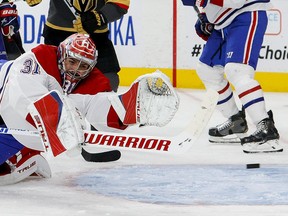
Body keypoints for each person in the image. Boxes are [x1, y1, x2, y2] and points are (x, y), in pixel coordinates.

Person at [0, 33, 179, 185]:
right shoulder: (40, 59)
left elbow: (101, 107)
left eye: (83, 66)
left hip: (12, 129)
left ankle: (25, 155)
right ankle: (24, 155)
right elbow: (20, 95)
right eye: (72, 62)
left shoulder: (90, 82)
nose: (76, 70)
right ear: (61, 55)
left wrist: (131, 107)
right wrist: (55, 119)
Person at [181, 0, 282, 153]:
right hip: (223, 23)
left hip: (245, 13)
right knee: (207, 69)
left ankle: (266, 128)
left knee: (237, 70)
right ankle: (236, 122)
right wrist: (207, 15)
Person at [25, 0, 130, 92]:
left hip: (95, 35)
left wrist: (100, 17)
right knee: (50, 82)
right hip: (58, 35)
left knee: (108, 81)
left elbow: (120, 3)